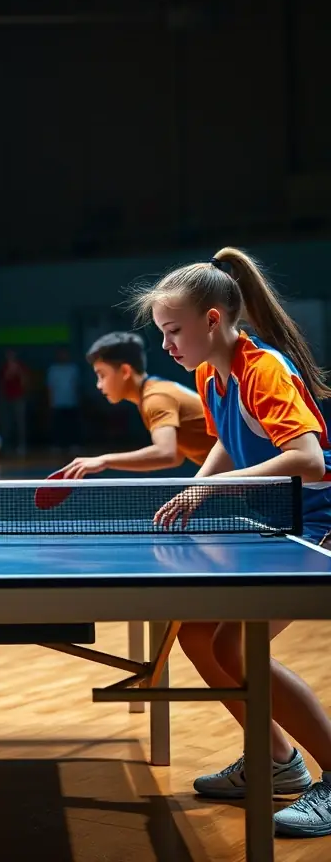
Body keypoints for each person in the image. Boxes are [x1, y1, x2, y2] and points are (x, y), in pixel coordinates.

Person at [132, 245, 331, 838]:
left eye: (173, 331)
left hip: (318, 524)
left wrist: (214, 493)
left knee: (240, 650)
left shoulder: (262, 368)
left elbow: (310, 460)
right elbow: (225, 440)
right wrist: (197, 487)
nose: (166, 345)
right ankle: (276, 763)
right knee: (197, 636)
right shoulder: (208, 373)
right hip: (279, 523)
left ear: (212, 321)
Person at [62, 331, 215, 478]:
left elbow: (166, 453)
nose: (99, 385)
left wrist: (104, 460)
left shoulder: (155, 398)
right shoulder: (152, 391)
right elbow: (176, 456)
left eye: (102, 375)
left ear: (125, 371)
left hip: (238, 467)